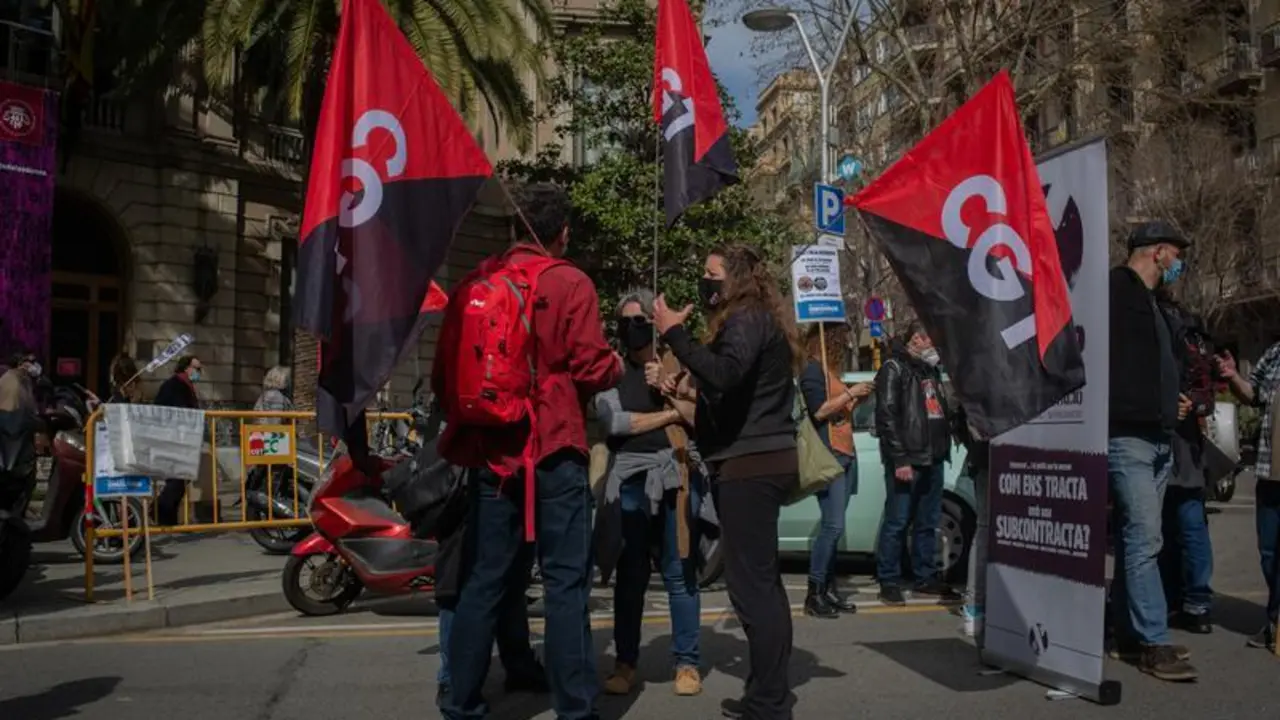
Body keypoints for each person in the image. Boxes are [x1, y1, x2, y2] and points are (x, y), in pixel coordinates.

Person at [435, 182, 622, 720]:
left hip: (494, 454)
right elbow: (591, 366)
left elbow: (445, 377)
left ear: (516, 227)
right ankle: (575, 708)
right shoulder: (570, 282)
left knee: (485, 579)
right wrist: (616, 364)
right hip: (555, 448)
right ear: (562, 233)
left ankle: (462, 702)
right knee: (565, 583)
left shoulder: (476, 282)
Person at [653, 244, 800, 720]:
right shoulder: (753, 318)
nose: (705, 280)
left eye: (711, 272)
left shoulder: (747, 317)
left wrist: (674, 334)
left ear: (734, 278)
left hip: (750, 464)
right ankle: (767, 693)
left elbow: (727, 373)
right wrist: (688, 383)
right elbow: (729, 386)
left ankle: (769, 703)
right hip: (753, 459)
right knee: (762, 584)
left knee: (752, 588)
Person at [593, 288, 705, 697]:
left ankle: (687, 662)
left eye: (640, 320)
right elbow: (615, 423)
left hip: (676, 477)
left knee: (680, 571)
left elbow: (702, 416)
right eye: (625, 322)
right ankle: (625, 663)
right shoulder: (610, 370)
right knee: (631, 574)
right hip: (630, 483)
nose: (632, 328)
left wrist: (672, 390)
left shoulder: (678, 366)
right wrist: (670, 414)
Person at [1106, 220, 1197, 681]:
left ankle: (1128, 631)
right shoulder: (1114, 290)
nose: (1179, 263)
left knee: (1135, 538)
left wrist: (1171, 401)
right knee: (1145, 539)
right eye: (1176, 253)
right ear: (1158, 251)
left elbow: (1153, 365)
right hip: (1128, 437)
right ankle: (1154, 642)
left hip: (1158, 434)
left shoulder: (1153, 302)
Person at [873, 321, 956, 606]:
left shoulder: (929, 370)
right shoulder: (894, 368)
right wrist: (900, 458)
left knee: (927, 522)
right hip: (909, 457)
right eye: (930, 340)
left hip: (933, 457)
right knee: (897, 521)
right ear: (916, 340)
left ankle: (925, 577)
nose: (934, 346)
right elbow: (886, 416)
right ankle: (889, 580)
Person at [797, 322, 870, 618]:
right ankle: (814, 592)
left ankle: (828, 589)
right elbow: (819, 411)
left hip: (846, 452)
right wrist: (850, 394)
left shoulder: (830, 371)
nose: (846, 345)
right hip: (830, 456)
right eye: (842, 340)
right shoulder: (813, 371)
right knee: (833, 526)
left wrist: (856, 399)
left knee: (835, 527)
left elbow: (837, 411)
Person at [1154, 293, 1215, 635]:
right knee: (1189, 525)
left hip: (1170, 437)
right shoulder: (1191, 327)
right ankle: (1195, 603)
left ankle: (1179, 598)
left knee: (1172, 525)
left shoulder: (1163, 323)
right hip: (1187, 442)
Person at [1217, 342, 1280, 652]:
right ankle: (1276, 621)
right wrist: (1233, 376)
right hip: (1271, 471)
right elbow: (1252, 394)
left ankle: (1275, 623)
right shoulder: (1275, 353)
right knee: (1269, 552)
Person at [153, 355, 204, 526]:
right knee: (177, 481)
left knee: (180, 480)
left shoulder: (185, 385)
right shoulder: (174, 385)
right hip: (172, 438)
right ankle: (160, 513)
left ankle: (167, 519)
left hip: (181, 439)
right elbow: (180, 410)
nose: (199, 372)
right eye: (197, 369)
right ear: (186, 368)